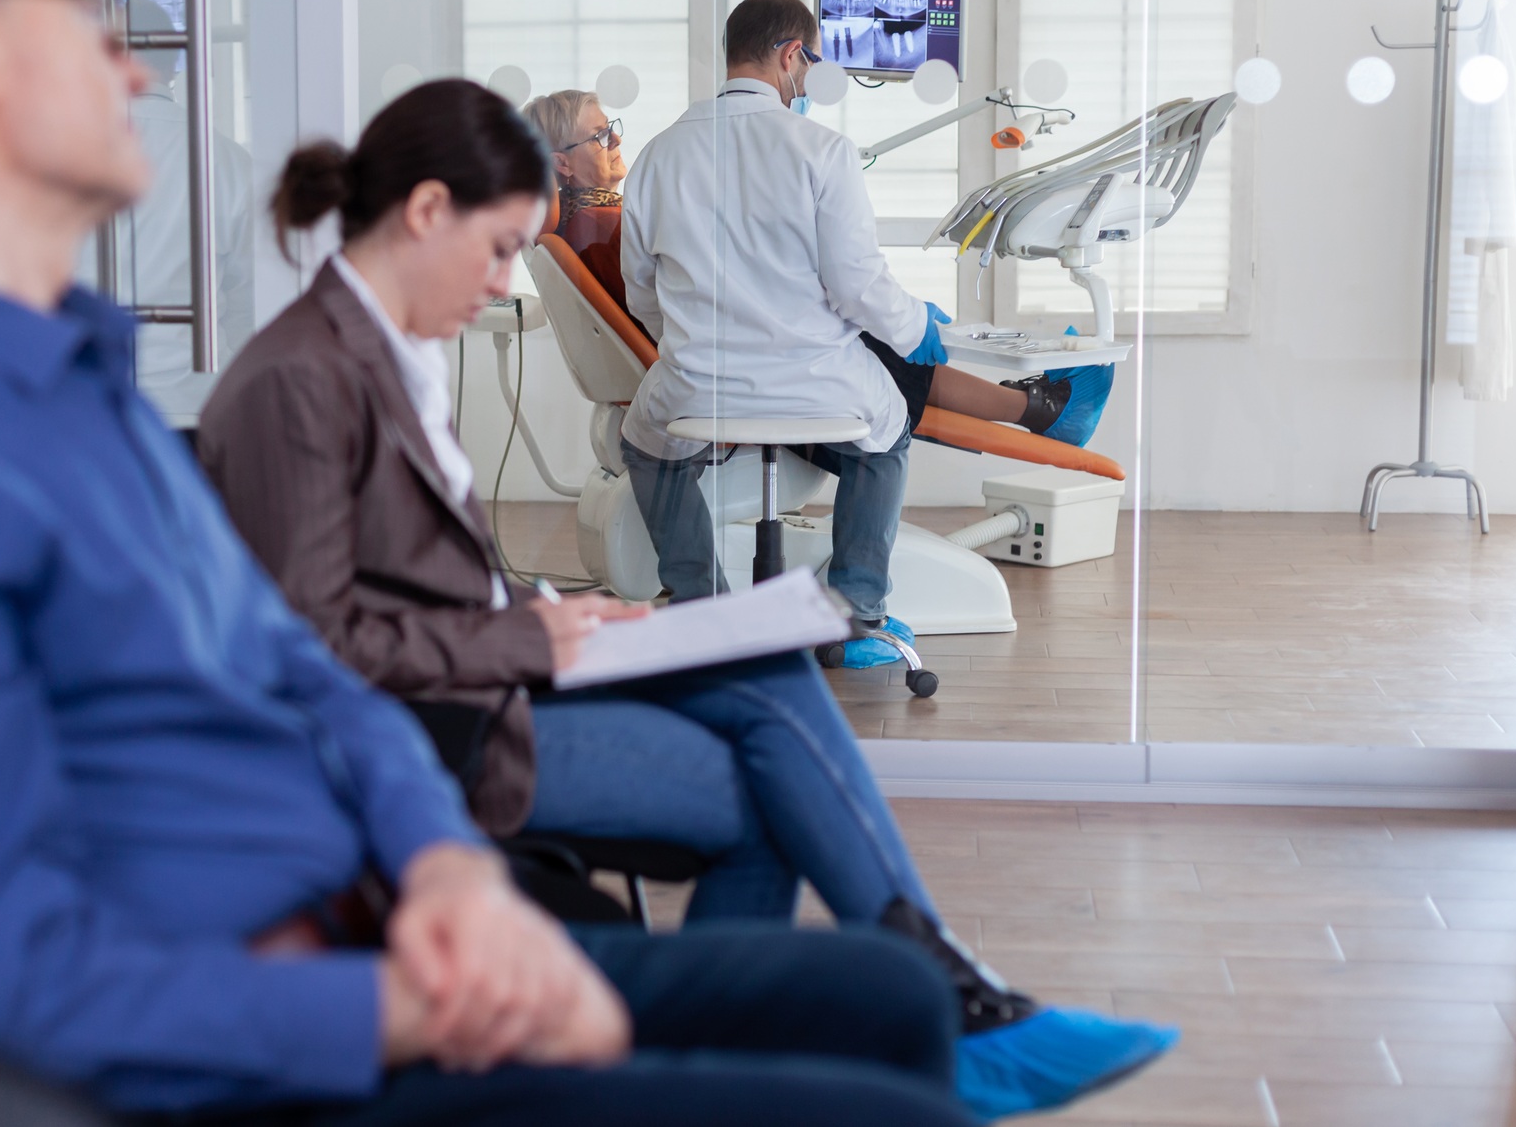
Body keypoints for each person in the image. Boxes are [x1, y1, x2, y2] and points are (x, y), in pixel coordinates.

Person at [0, 0, 994, 1127]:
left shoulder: (75, 385)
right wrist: (400, 1007)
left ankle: (916, 968)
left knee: (879, 996)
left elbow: (292, 671)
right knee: (886, 1076)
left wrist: (437, 867)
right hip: (292, 1043)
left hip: (373, 906)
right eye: (90, 24)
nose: (138, 69)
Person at [196, 77, 1175, 1118]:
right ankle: (934, 1010)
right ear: (426, 209)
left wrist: (543, 607)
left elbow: (418, 577)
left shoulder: (385, 360)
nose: (497, 286)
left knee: (755, 664)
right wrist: (526, 637)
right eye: (495, 251)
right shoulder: (295, 381)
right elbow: (315, 647)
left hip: (488, 680)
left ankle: (902, 1011)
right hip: (431, 734)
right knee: (768, 786)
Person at [615, 0, 1111, 671]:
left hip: (700, 384)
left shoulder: (656, 155)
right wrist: (918, 332)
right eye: (810, 63)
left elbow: (642, 287)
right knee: (885, 437)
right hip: (816, 382)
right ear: (792, 56)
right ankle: (852, 608)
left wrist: (700, 341)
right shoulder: (822, 150)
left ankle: (703, 608)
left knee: (646, 445)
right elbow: (856, 283)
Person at [519, 89, 1112, 445]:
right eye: (597, 137)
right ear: (562, 166)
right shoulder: (598, 228)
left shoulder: (593, 220)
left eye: (612, 128)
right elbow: (658, 302)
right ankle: (1036, 407)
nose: (615, 142)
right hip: (717, 362)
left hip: (715, 350)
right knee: (876, 342)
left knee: (875, 336)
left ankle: (1031, 402)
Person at [111, 0, 255, 394]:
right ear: (175, 66)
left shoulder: (63, 161)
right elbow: (248, 305)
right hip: (198, 396)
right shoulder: (231, 163)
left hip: (96, 400)